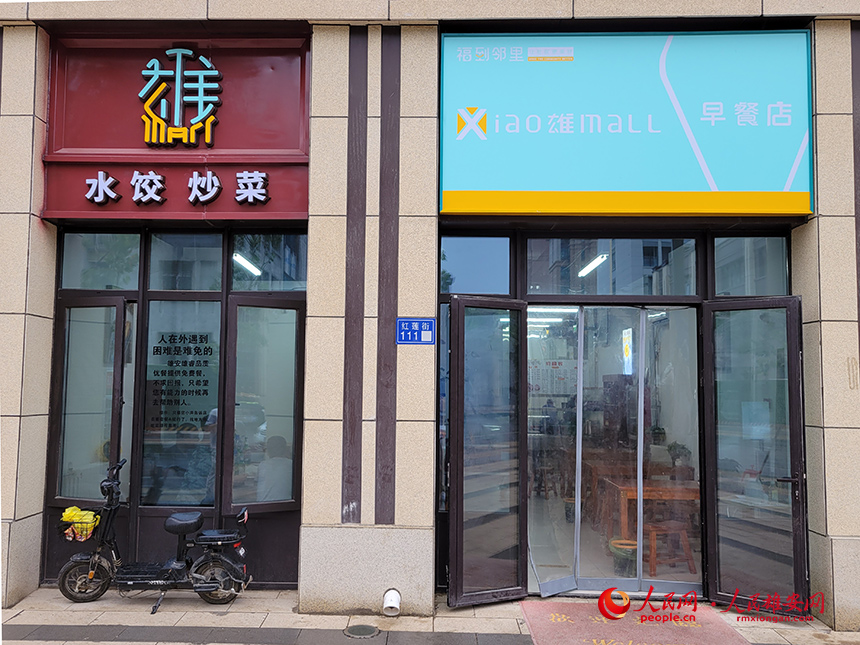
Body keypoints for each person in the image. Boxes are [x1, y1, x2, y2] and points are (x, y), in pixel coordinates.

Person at [257, 435, 292, 501]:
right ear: (285, 449)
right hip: (286, 504)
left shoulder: (263, 465)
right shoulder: (291, 464)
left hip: (263, 504)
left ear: (268, 450)